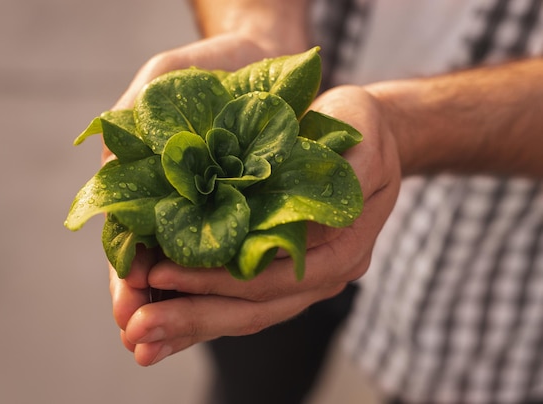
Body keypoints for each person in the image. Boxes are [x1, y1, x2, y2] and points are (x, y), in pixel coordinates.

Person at [106, 0, 543, 402]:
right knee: (251, 381)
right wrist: (259, 31)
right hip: (272, 243)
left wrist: (407, 125)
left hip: (483, 260)